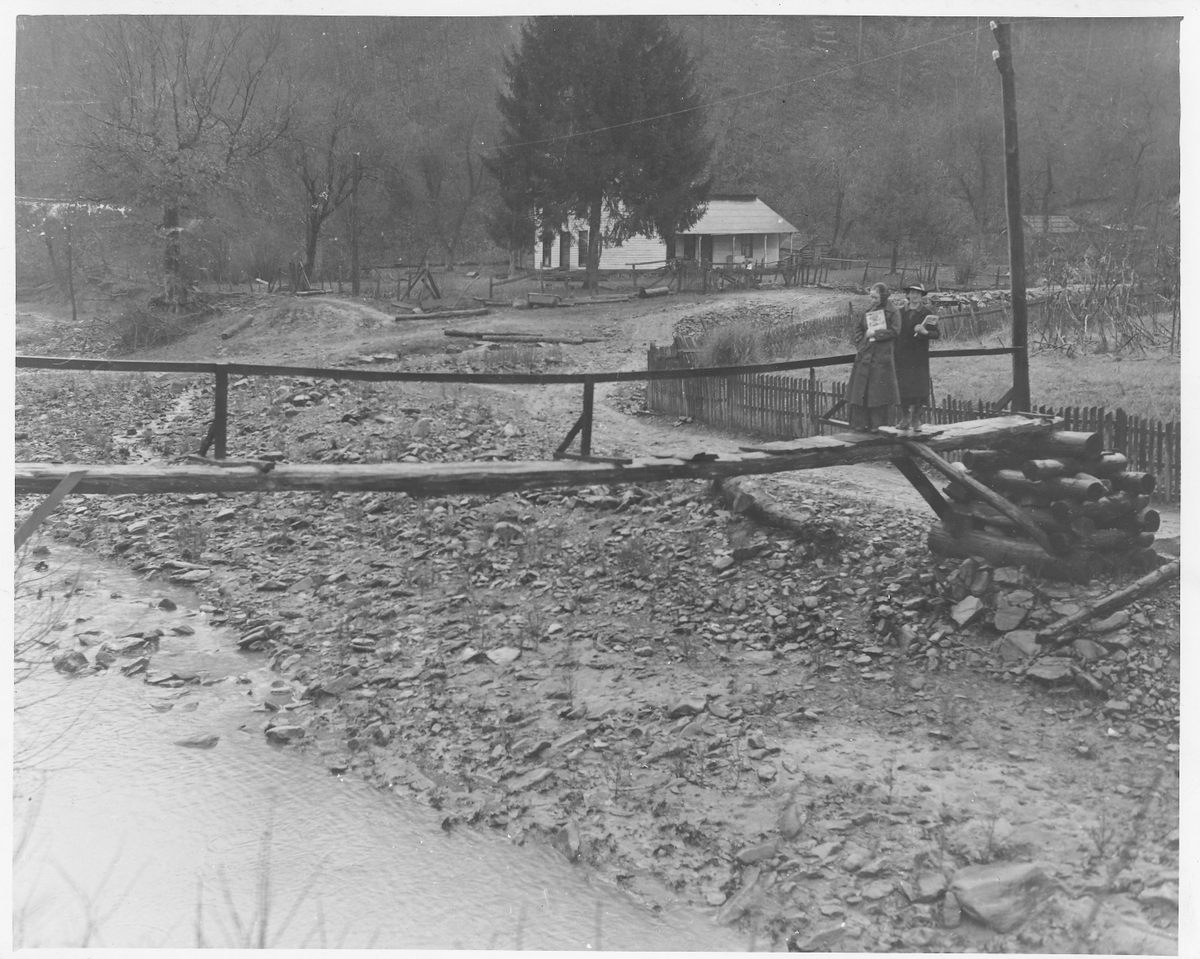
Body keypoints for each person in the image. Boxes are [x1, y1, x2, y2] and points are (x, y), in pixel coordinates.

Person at [846, 282, 901, 431]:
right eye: (871, 297)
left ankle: (878, 426)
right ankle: (861, 424)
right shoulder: (869, 310)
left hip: (881, 358)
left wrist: (876, 334)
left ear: (883, 296)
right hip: (865, 356)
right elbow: (858, 327)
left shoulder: (893, 312)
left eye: (875, 297)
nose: (872, 300)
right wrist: (861, 342)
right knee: (861, 392)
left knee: (878, 394)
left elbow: (895, 331)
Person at [894, 282, 940, 431]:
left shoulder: (927, 313)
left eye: (918, 294)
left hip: (918, 357)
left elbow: (936, 334)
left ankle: (916, 419)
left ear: (921, 296)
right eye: (912, 293)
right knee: (903, 387)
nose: (914, 296)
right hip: (901, 356)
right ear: (907, 294)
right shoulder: (899, 312)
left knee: (919, 388)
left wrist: (925, 332)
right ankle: (905, 417)